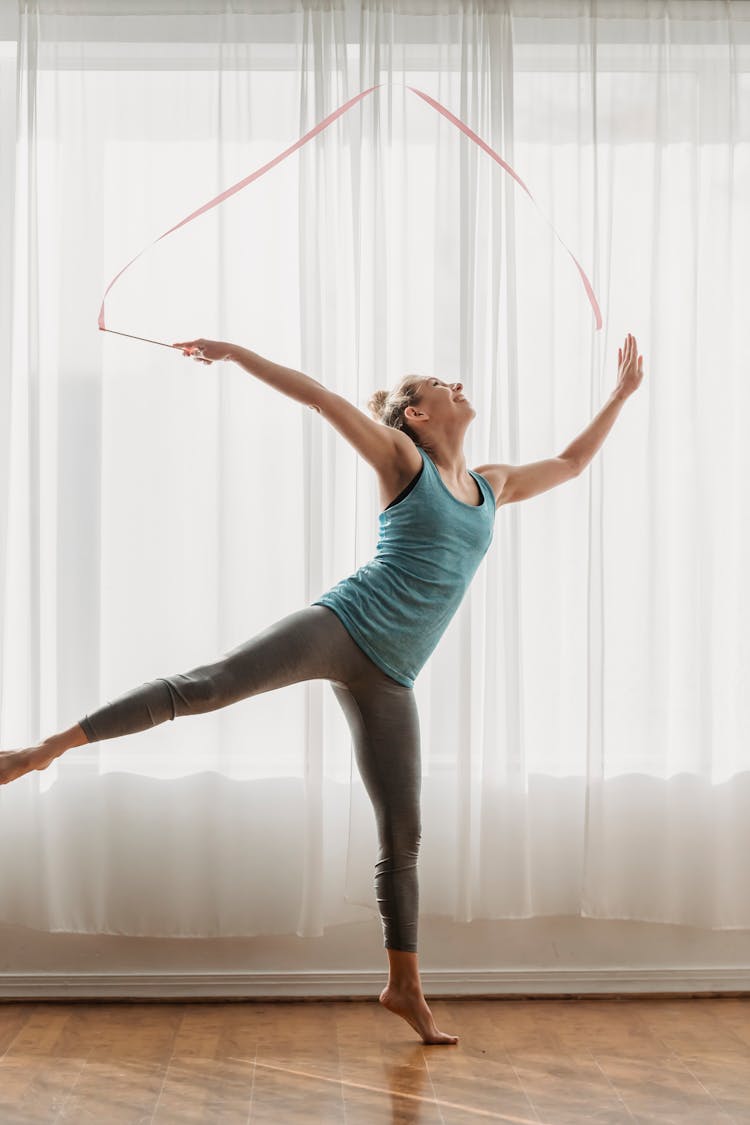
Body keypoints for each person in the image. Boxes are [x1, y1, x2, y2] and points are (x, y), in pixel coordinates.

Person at [0, 333, 644, 1044]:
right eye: (438, 382)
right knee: (209, 684)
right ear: (416, 416)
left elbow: (574, 462)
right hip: (343, 625)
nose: (455, 383)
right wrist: (237, 353)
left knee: (404, 834)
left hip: (393, 676)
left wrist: (619, 395)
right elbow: (321, 398)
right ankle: (45, 748)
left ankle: (405, 986)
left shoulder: (492, 485)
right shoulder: (402, 460)